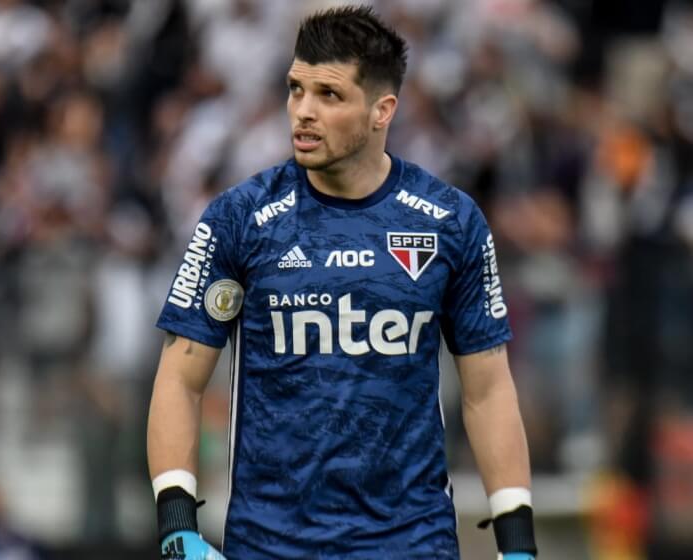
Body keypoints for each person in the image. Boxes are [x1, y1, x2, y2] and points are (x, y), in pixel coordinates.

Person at [147, 5, 537, 559]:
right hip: (271, 546)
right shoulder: (239, 219)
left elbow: (489, 390)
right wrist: (176, 525)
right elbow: (179, 379)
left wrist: (517, 544)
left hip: (411, 545)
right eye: (295, 89)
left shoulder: (449, 222)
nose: (303, 111)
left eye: (329, 95)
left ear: (382, 111)